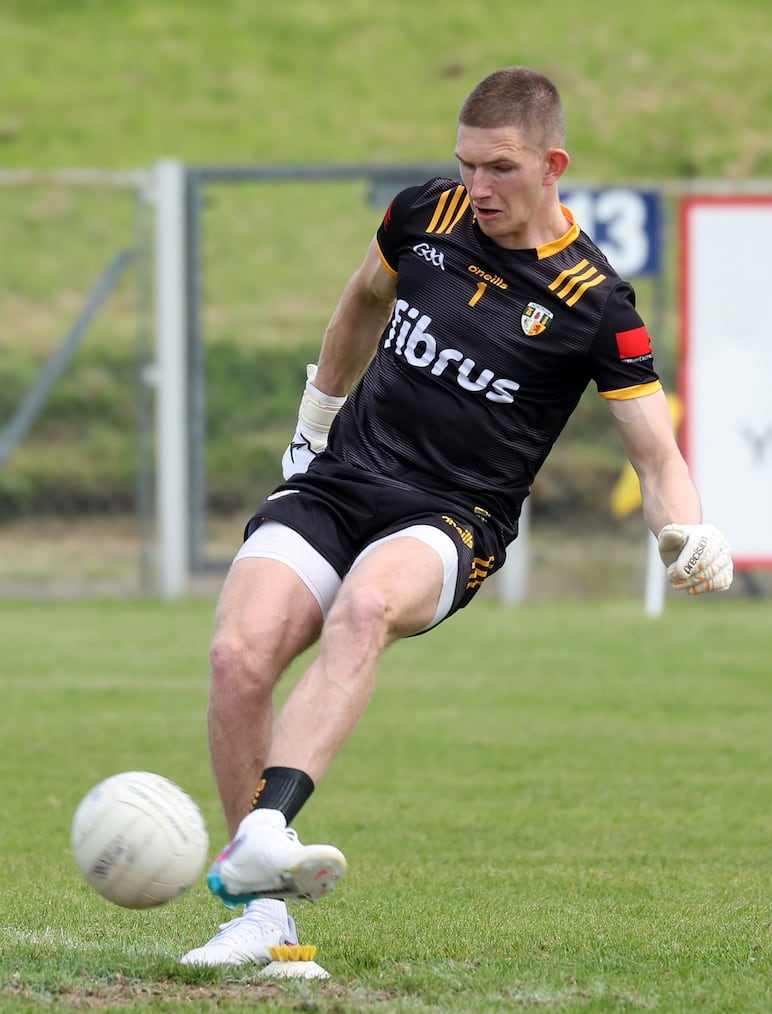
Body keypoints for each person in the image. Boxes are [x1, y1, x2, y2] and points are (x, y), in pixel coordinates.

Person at [180, 66, 733, 967]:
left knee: (364, 606)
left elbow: (658, 458)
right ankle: (260, 918)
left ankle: (263, 832)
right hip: (343, 477)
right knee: (236, 657)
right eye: (467, 164)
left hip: (454, 516)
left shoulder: (596, 304)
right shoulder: (424, 217)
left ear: (553, 164)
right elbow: (362, 300)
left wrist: (689, 533)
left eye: (501, 168)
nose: (478, 187)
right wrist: (313, 421)